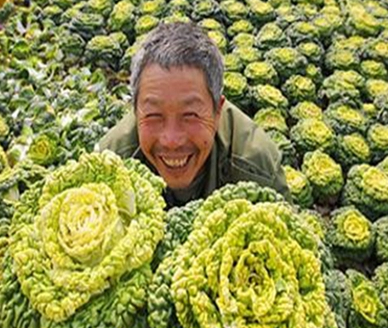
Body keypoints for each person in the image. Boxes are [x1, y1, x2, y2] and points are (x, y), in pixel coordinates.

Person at [97, 22, 291, 208]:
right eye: (154, 115)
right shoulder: (111, 164)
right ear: (135, 111)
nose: (171, 140)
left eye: (190, 115)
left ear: (217, 111)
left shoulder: (256, 166)